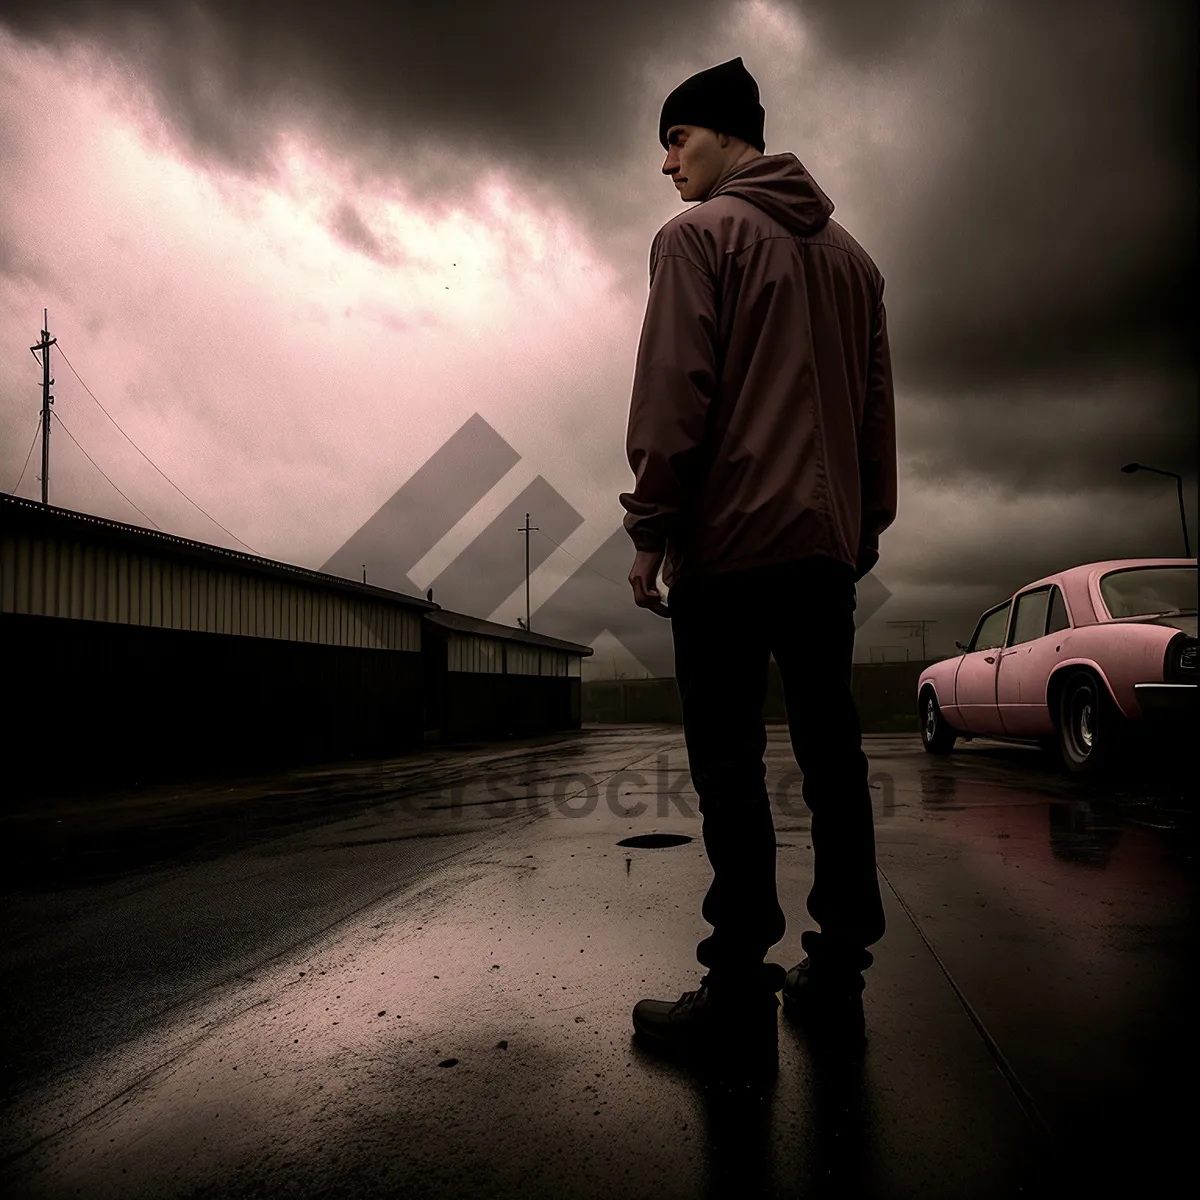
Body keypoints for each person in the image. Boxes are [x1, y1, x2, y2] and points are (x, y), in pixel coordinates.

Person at [620, 57, 897, 1060]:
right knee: (835, 761)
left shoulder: (697, 238)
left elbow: (671, 397)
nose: (665, 166)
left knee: (731, 768)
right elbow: (874, 421)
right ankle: (838, 977)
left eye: (674, 140)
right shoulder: (856, 263)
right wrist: (862, 532)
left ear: (723, 134)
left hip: (730, 551)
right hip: (823, 554)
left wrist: (650, 531)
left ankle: (739, 989)